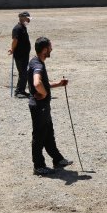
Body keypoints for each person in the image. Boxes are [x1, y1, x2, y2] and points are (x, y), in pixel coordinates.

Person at [27, 37, 73, 175]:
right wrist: (45, 94)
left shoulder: (35, 61)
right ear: (45, 49)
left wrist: (58, 84)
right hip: (39, 106)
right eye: (50, 47)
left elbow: (43, 84)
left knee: (48, 134)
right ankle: (38, 166)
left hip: (42, 107)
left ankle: (57, 159)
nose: (52, 49)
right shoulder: (38, 66)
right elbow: (37, 83)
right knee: (39, 137)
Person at [8, 11, 31, 98]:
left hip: (24, 54)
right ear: (22, 18)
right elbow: (15, 40)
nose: (29, 20)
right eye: (27, 18)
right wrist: (12, 49)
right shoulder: (17, 28)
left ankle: (22, 91)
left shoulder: (23, 27)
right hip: (20, 55)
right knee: (23, 73)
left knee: (24, 73)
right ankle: (18, 92)